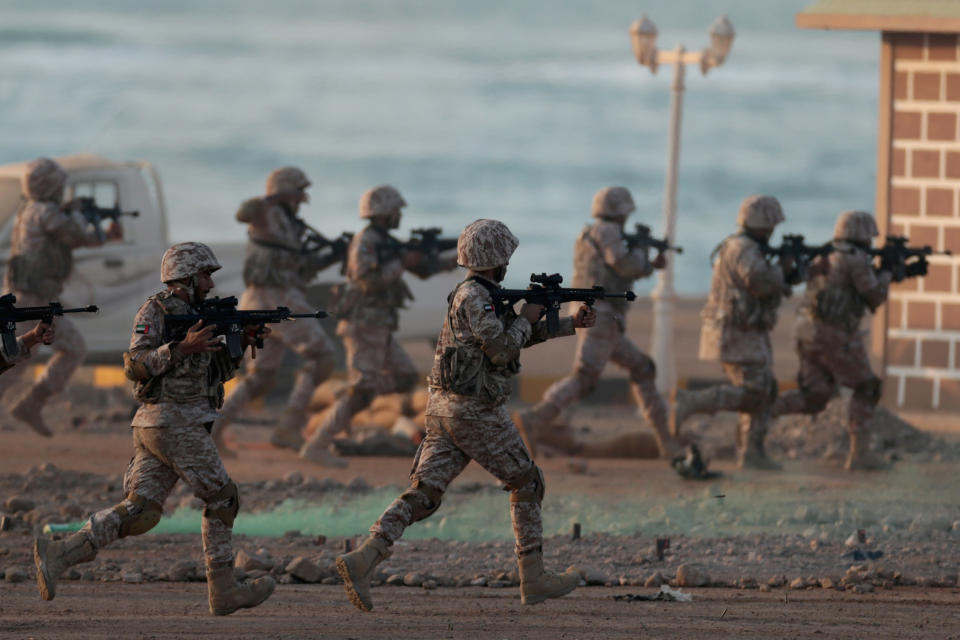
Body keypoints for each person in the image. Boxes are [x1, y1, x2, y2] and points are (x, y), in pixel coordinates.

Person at [335, 219, 596, 611]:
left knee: (425, 495)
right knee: (528, 482)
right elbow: (504, 349)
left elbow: (513, 335)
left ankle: (366, 556)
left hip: (445, 411)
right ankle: (534, 577)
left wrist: (566, 323)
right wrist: (528, 316)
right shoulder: (476, 298)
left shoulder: (479, 295)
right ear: (497, 261)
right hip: (474, 411)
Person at [33, 243, 275, 616]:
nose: (211, 283)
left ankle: (61, 554)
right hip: (173, 422)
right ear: (186, 277)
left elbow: (215, 374)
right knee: (223, 497)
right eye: (205, 275)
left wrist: (240, 342)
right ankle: (223, 589)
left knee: (141, 511)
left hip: (166, 425)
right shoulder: (156, 310)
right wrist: (180, 347)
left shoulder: (199, 312)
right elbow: (135, 365)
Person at [299, 185, 457, 467]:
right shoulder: (366, 242)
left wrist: (454, 260)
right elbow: (367, 281)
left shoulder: (387, 243)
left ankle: (356, 391)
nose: (399, 216)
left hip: (379, 327)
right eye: (396, 211)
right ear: (383, 213)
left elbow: (422, 270)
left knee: (405, 377)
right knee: (362, 392)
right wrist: (400, 263)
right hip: (363, 324)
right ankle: (318, 443)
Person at [516, 186, 680, 459]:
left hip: (599, 314)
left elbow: (619, 266)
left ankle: (665, 440)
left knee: (642, 368)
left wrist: (650, 263)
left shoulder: (591, 232)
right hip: (602, 316)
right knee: (586, 377)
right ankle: (536, 417)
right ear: (620, 212)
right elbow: (624, 265)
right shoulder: (608, 232)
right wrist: (641, 252)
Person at [212, 167, 339, 455]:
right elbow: (244, 213)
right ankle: (290, 426)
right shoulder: (266, 213)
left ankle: (215, 432)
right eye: (298, 191)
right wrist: (267, 200)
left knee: (262, 378)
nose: (303, 198)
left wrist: (333, 254)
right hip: (275, 299)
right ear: (283, 191)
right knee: (322, 357)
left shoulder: (290, 225)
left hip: (257, 301)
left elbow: (300, 267)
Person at [0, 157, 122, 436]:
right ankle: (31, 403)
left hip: (38, 299)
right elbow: (73, 232)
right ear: (48, 186)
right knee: (17, 356)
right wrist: (80, 214)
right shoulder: (43, 211)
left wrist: (105, 236)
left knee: (37, 353)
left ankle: (32, 402)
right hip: (31, 299)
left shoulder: (36, 211)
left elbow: (71, 238)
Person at [672, 195, 793, 470]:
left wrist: (791, 273)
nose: (773, 232)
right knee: (754, 392)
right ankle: (691, 401)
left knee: (765, 390)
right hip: (737, 334)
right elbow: (759, 282)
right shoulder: (742, 249)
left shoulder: (748, 248)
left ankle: (752, 452)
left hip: (748, 332)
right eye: (770, 226)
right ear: (761, 225)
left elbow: (770, 286)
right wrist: (781, 268)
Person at [772, 211, 893, 471]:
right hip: (834, 336)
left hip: (807, 332)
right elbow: (874, 296)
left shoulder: (824, 252)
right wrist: (887, 274)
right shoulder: (856, 258)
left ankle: (763, 413)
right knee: (867, 387)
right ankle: (860, 455)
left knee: (815, 396)